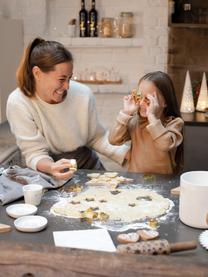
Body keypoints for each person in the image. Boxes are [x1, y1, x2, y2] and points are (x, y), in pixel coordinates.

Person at [6, 37, 128, 181]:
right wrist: (52, 167)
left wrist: (128, 155)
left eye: (69, 78)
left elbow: (96, 137)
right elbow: (34, 153)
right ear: (37, 73)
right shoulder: (19, 102)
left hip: (87, 165)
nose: (67, 87)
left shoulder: (83, 94)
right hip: (46, 171)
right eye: (61, 79)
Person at [109, 71, 184, 174]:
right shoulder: (135, 122)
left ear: (165, 102)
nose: (142, 103)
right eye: (139, 97)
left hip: (163, 182)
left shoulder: (174, 123)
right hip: (135, 180)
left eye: (149, 99)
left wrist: (152, 117)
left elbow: (165, 144)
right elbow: (113, 140)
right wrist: (126, 113)